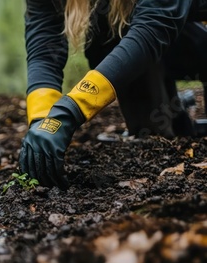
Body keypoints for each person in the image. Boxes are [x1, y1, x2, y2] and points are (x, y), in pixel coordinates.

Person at [19, 0, 207, 188]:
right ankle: (173, 113)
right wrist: (43, 121)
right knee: (154, 141)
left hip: (185, 29)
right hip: (160, 30)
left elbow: (153, 27)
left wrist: (69, 111)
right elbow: (44, 45)